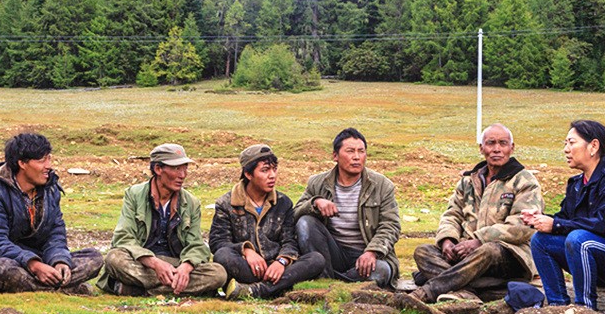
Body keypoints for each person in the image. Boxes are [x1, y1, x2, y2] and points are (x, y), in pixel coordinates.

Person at [410, 123, 544, 303]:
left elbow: (522, 226)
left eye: (503, 143)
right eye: (491, 143)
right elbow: (452, 214)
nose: (497, 149)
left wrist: (480, 240)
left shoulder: (525, 181)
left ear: (511, 148)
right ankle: (468, 290)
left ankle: (428, 291)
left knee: (489, 250)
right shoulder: (468, 182)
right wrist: (448, 240)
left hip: (507, 255)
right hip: (465, 255)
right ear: (481, 148)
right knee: (423, 252)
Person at [523, 120, 605, 310]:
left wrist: (556, 225)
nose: (566, 149)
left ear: (593, 146)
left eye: (571, 143)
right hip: (585, 255)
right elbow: (566, 219)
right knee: (541, 240)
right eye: (565, 144)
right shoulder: (577, 183)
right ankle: (557, 306)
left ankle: (584, 309)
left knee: (579, 239)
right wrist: (540, 219)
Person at [0, 133, 102, 294]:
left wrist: (59, 261)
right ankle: (64, 288)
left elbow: (55, 233)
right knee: (2, 269)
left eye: (49, 159)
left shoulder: (50, 188)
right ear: (22, 163)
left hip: (42, 262)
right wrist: (32, 263)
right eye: (42, 160)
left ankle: (48, 284)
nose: (49, 166)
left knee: (94, 258)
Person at [98, 143, 226, 297]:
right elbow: (123, 238)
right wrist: (155, 263)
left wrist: (186, 267)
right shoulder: (134, 195)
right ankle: (182, 288)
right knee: (114, 259)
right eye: (176, 168)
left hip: (175, 263)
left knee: (218, 274)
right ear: (158, 169)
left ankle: (136, 289)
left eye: (185, 168)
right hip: (143, 263)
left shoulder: (191, 202)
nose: (183, 175)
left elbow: (196, 245)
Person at [209, 144, 324, 299]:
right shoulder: (226, 203)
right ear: (248, 174)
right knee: (222, 255)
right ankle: (277, 287)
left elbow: (289, 241)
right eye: (265, 170)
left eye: (274, 169)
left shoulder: (283, 202)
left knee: (316, 259)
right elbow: (218, 242)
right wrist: (246, 250)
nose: (272, 176)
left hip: (276, 268)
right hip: (246, 267)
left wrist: (281, 261)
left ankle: (256, 290)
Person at [294, 128, 400, 288]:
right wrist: (315, 203)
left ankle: (333, 283)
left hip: (367, 255)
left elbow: (391, 225)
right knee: (305, 222)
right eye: (350, 151)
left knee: (381, 270)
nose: (356, 157)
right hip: (332, 254)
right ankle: (327, 279)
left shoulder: (382, 185)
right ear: (335, 156)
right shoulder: (317, 183)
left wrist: (372, 252)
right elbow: (294, 214)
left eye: (361, 151)